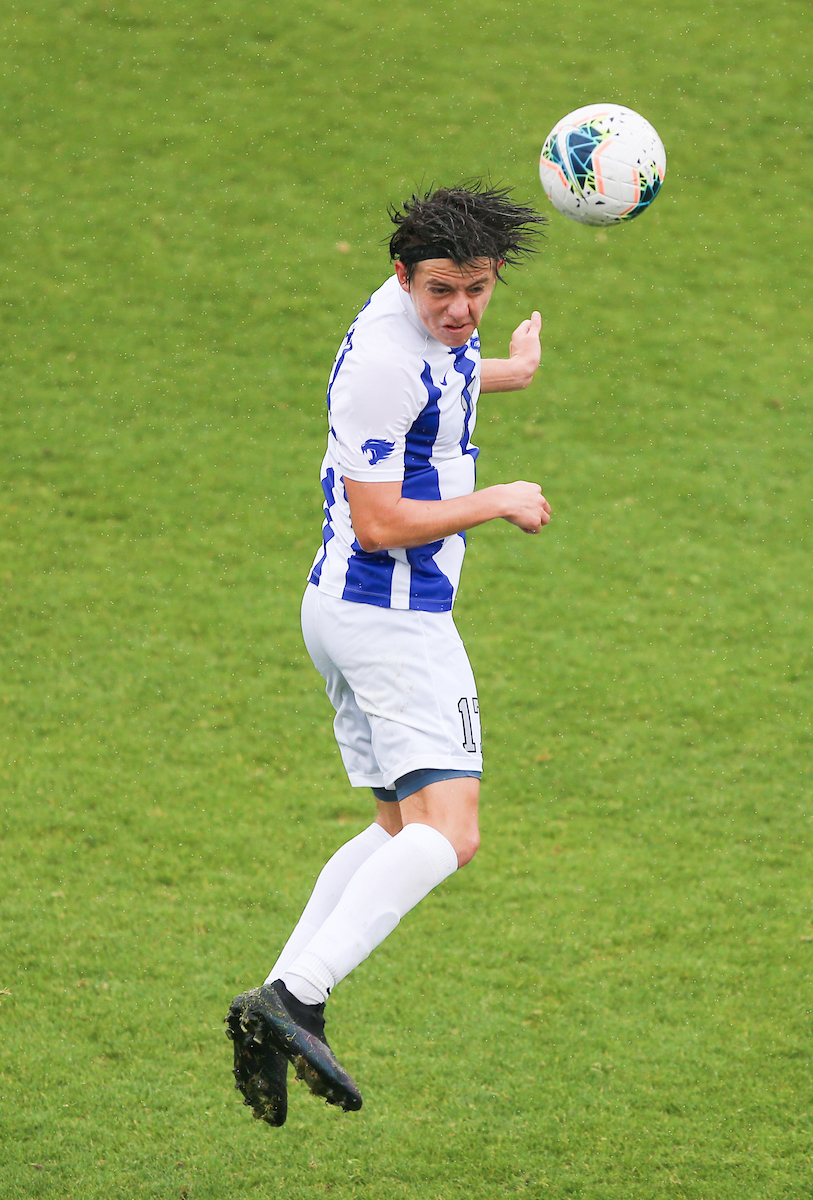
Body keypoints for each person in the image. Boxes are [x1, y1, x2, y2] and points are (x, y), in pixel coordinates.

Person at [226, 183, 550, 1126]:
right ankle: (292, 998)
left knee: (396, 831)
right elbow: (377, 523)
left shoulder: (422, 336)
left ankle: (288, 999)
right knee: (450, 832)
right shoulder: (383, 358)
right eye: (442, 290)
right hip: (390, 615)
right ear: (401, 277)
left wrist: (506, 370)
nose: (460, 310)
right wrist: (499, 498)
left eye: (478, 290)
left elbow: (441, 374)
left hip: (341, 612)